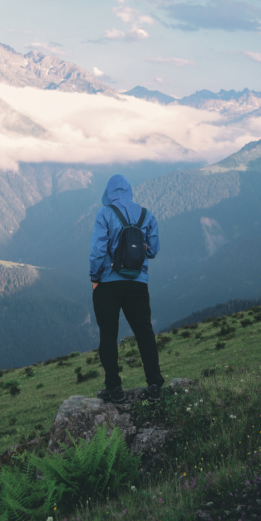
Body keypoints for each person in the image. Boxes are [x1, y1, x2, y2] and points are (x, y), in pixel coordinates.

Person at [89, 173, 164, 403]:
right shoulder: (145, 214)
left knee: (109, 336)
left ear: (109, 193)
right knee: (144, 333)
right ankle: (154, 385)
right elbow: (153, 250)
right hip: (137, 285)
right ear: (129, 190)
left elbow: (98, 251)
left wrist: (95, 276)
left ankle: (114, 389)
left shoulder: (105, 213)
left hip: (108, 285)